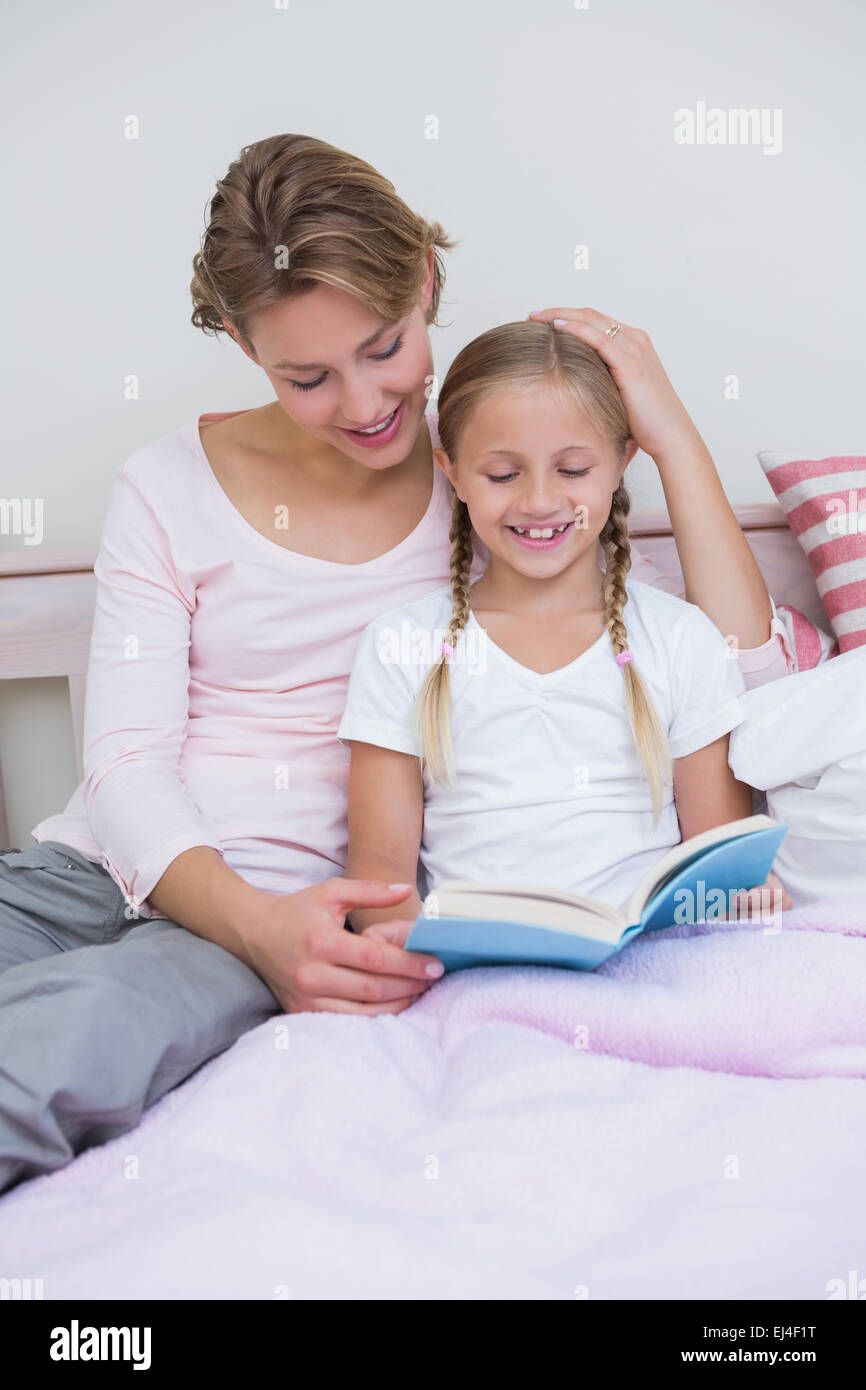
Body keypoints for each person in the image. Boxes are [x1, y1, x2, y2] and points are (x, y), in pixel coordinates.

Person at [0, 133, 793, 1194]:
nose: (365, 402)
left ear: (424, 279)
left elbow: (737, 661)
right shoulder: (164, 485)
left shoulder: (495, 487)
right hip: (98, 872)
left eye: (385, 346)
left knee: (55, 1048)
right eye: (305, 376)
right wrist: (254, 924)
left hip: (273, 912)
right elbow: (128, 764)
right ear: (241, 343)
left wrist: (669, 428)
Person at [338, 320, 792, 930]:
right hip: (469, 976)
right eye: (503, 475)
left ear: (621, 461)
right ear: (453, 472)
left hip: (652, 961)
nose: (539, 501)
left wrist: (747, 894)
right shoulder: (401, 647)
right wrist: (404, 957)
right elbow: (379, 888)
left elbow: (718, 864)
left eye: (573, 470)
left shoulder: (681, 639)